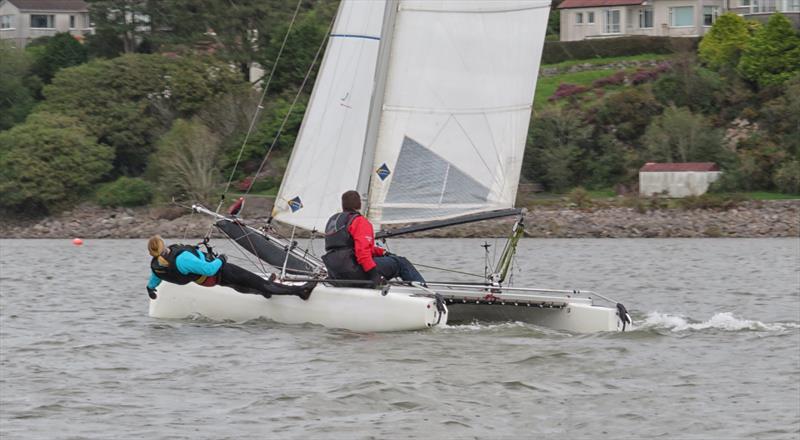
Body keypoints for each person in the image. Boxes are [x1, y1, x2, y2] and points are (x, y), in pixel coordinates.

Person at [146, 235, 314, 300]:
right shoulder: (181, 259)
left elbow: (154, 279)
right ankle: (300, 292)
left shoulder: (157, 265)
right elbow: (210, 269)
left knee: (241, 285)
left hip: (207, 282)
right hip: (218, 273)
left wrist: (151, 289)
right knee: (261, 283)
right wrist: (221, 259)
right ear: (163, 244)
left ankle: (263, 292)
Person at [322, 190, 425, 287]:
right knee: (401, 262)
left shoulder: (333, 222)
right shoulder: (360, 221)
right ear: (359, 204)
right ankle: (426, 293)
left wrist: (382, 252)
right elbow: (362, 252)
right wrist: (374, 275)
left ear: (343, 205)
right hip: (354, 271)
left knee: (385, 259)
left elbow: (350, 247)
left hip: (335, 272)